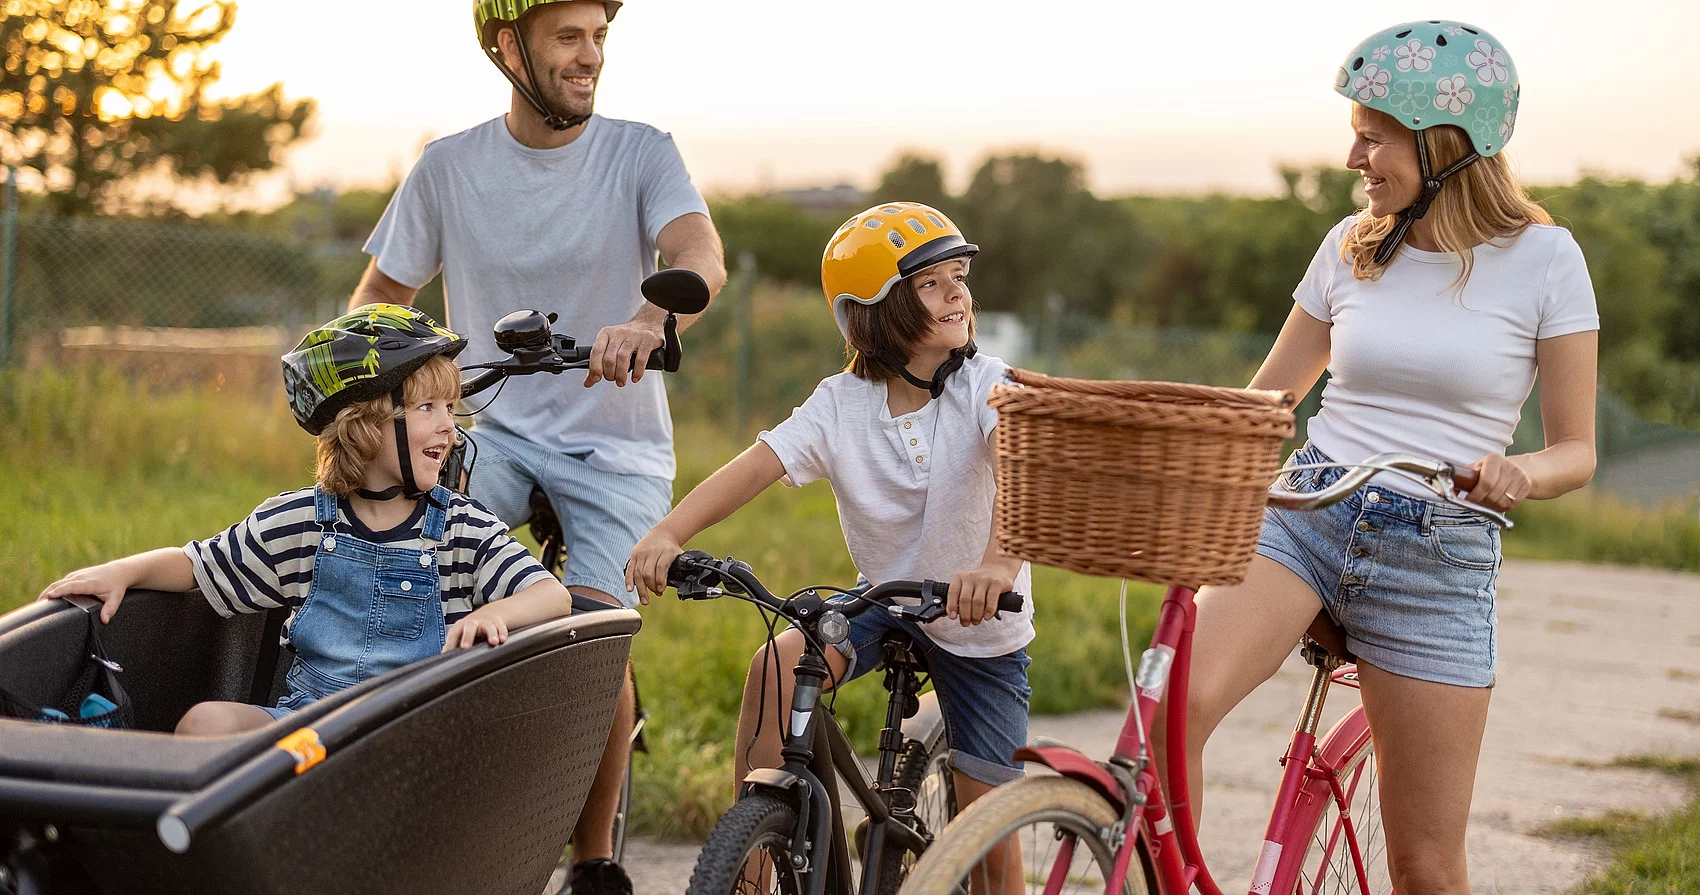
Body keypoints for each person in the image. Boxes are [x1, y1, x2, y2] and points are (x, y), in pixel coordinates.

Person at [1160, 21, 1600, 894]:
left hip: (1437, 550)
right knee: (1173, 714)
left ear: (1445, 145)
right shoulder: (1351, 244)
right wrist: (1171, 435)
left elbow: (1578, 448)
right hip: (1307, 512)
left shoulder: (1545, 259)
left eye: (1374, 137)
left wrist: (1523, 471)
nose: (1353, 157)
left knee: (1425, 866)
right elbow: (1269, 399)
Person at [350, 2, 727, 889]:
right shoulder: (449, 167)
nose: (590, 55)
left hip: (617, 449)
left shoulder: (641, 152)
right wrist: (391, 369)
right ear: (508, 46)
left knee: (590, 637)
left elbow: (698, 250)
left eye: (599, 37)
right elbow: (377, 299)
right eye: (569, 37)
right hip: (498, 431)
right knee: (392, 558)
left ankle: (594, 860)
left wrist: (651, 317)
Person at [627, 203, 1033, 893]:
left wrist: (997, 565)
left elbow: (1021, 475)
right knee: (777, 666)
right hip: (888, 600)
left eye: (959, 277)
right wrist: (669, 533)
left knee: (989, 841)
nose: (957, 293)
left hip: (980, 624)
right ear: (874, 311)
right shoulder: (841, 404)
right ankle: (749, 874)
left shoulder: (986, 384)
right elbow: (754, 466)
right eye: (930, 283)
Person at [37, 306, 573, 736]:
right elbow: (199, 565)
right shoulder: (301, 522)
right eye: (427, 408)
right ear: (364, 423)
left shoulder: (462, 526)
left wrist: (495, 613)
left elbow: (551, 595)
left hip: (412, 737)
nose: (449, 430)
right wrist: (123, 572)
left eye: (449, 410)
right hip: (305, 727)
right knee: (205, 722)